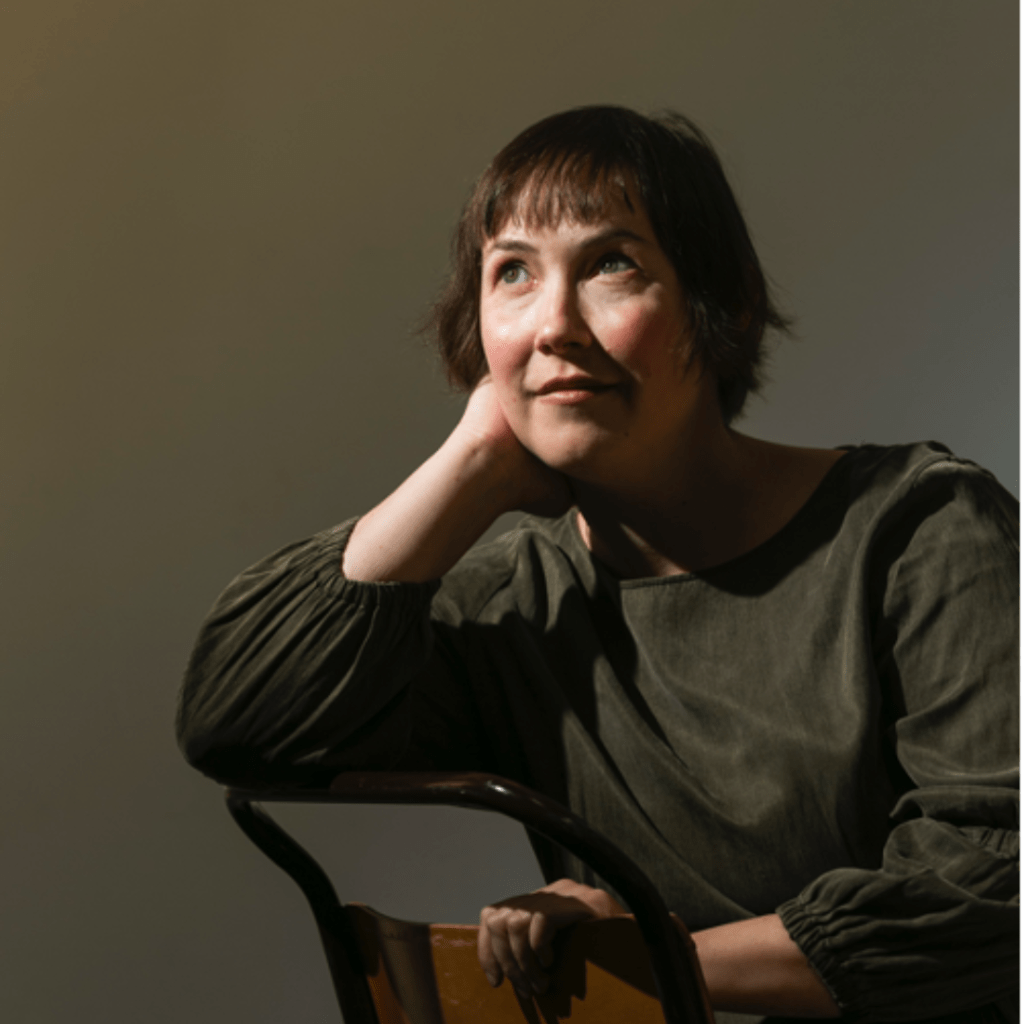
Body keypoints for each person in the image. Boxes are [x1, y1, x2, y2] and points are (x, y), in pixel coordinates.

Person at [177, 107, 1018, 1023]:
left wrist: (645, 961)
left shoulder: (922, 529)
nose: (555, 327)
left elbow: (998, 880)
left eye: (612, 264)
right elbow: (237, 722)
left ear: (725, 303)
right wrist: (470, 464)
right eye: (512, 273)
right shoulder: (515, 606)